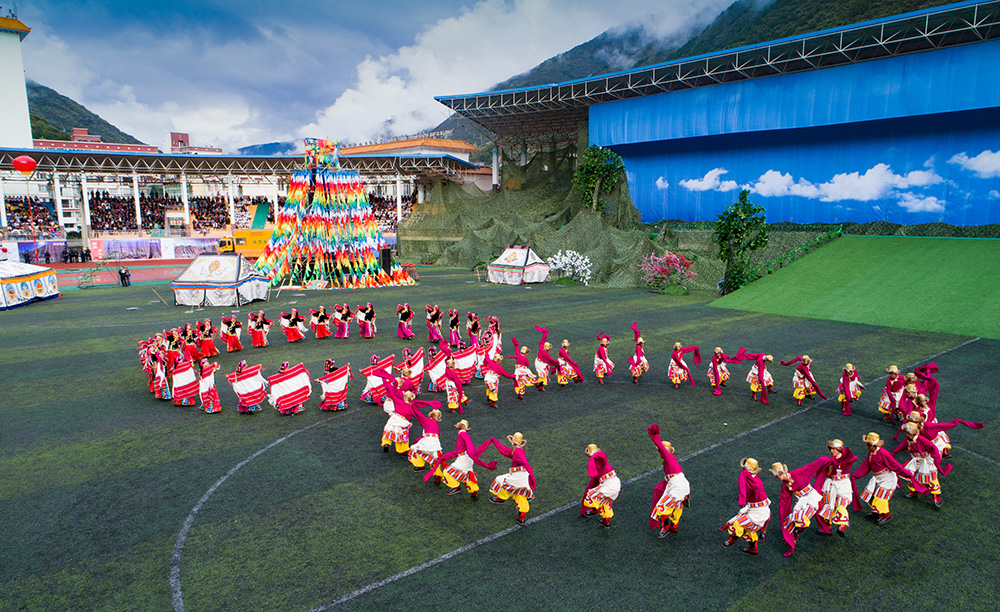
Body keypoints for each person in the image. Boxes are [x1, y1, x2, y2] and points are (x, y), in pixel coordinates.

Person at [770, 458, 832, 557]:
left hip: (811, 499)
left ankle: (795, 533)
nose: (779, 478)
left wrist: (830, 460)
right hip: (801, 501)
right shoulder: (785, 484)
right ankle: (793, 537)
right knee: (792, 519)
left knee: (802, 520)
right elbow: (784, 500)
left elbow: (814, 465)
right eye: (777, 476)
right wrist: (782, 513)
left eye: (779, 476)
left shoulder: (798, 472)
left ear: (783, 473)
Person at [853, 432, 916, 525]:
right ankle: (876, 512)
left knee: (880, 497)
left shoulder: (883, 453)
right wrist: (856, 475)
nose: (866, 445)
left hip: (887, 479)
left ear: (871, 445)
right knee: (872, 494)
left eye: (867, 443)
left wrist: (906, 473)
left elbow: (894, 465)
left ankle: (886, 516)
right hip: (878, 478)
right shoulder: (871, 452)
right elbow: (866, 465)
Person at [427, 420, 497, 500]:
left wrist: (471, 454)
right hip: (467, 458)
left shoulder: (462, 434)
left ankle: (456, 487)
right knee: (467, 474)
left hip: (464, 458)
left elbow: (468, 445)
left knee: (447, 472)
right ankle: (474, 493)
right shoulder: (463, 434)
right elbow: (462, 449)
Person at [892, 422, 950, 507]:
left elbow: (933, 448)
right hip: (916, 460)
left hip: (926, 461)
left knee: (931, 478)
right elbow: (901, 446)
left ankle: (936, 496)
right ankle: (913, 492)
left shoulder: (922, 440)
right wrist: (894, 453)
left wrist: (936, 459)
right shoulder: (908, 440)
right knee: (911, 476)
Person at [647, 424, 691, 537]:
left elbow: (661, 448)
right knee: (676, 506)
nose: (659, 453)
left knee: (662, 506)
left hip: (677, 486)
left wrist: (654, 436)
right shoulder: (670, 460)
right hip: (681, 485)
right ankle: (674, 527)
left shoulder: (669, 457)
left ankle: (665, 527)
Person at [721, 458, 771, 557]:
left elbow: (746, 479)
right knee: (749, 530)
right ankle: (753, 549)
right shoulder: (752, 480)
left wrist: (745, 472)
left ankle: (730, 541)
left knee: (738, 523)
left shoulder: (755, 482)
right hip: (755, 509)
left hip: (759, 512)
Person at [487, 432, 537, 525]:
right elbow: (506, 451)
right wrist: (495, 441)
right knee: (520, 494)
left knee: (502, 481)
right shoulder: (517, 450)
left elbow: (523, 461)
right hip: (522, 476)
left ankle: (501, 498)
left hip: (519, 475)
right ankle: (521, 518)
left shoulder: (518, 451)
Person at [814, 439, 859, 537]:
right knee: (828, 505)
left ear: (839, 449)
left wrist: (843, 456)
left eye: (834, 449)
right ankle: (827, 527)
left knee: (841, 504)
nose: (831, 451)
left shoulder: (847, 459)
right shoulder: (830, 460)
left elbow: (854, 457)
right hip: (831, 485)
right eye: (831, 448)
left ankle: (842, 526)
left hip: (843, 485)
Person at [581, 444, 620, 529]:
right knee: (604, 502)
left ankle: (596, 509)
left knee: (591, 495)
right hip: (613, 485)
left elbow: (600, 455)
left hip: (611, 485)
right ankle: (605, 521)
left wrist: (592, 455)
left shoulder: (601, 457)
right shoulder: (599, 462)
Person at [409, 401, 445, 483]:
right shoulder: (436, 424)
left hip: (427, 441)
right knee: (435, 460)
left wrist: (414, 403)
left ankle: (420, 465)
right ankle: (437, 476)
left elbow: (417, 413)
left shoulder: (426, 420)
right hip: (436, 443)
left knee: (414, 449)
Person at [533, 325, 560, 391]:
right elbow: (550, 360)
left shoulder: (541, 347)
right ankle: (539, 385)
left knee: (543, 375)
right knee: (543, 375)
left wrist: (545, 333)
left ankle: (540, 385)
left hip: (538, 361)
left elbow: (542, 340)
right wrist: (557, 363)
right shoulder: (546, 354)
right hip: (541, 364)